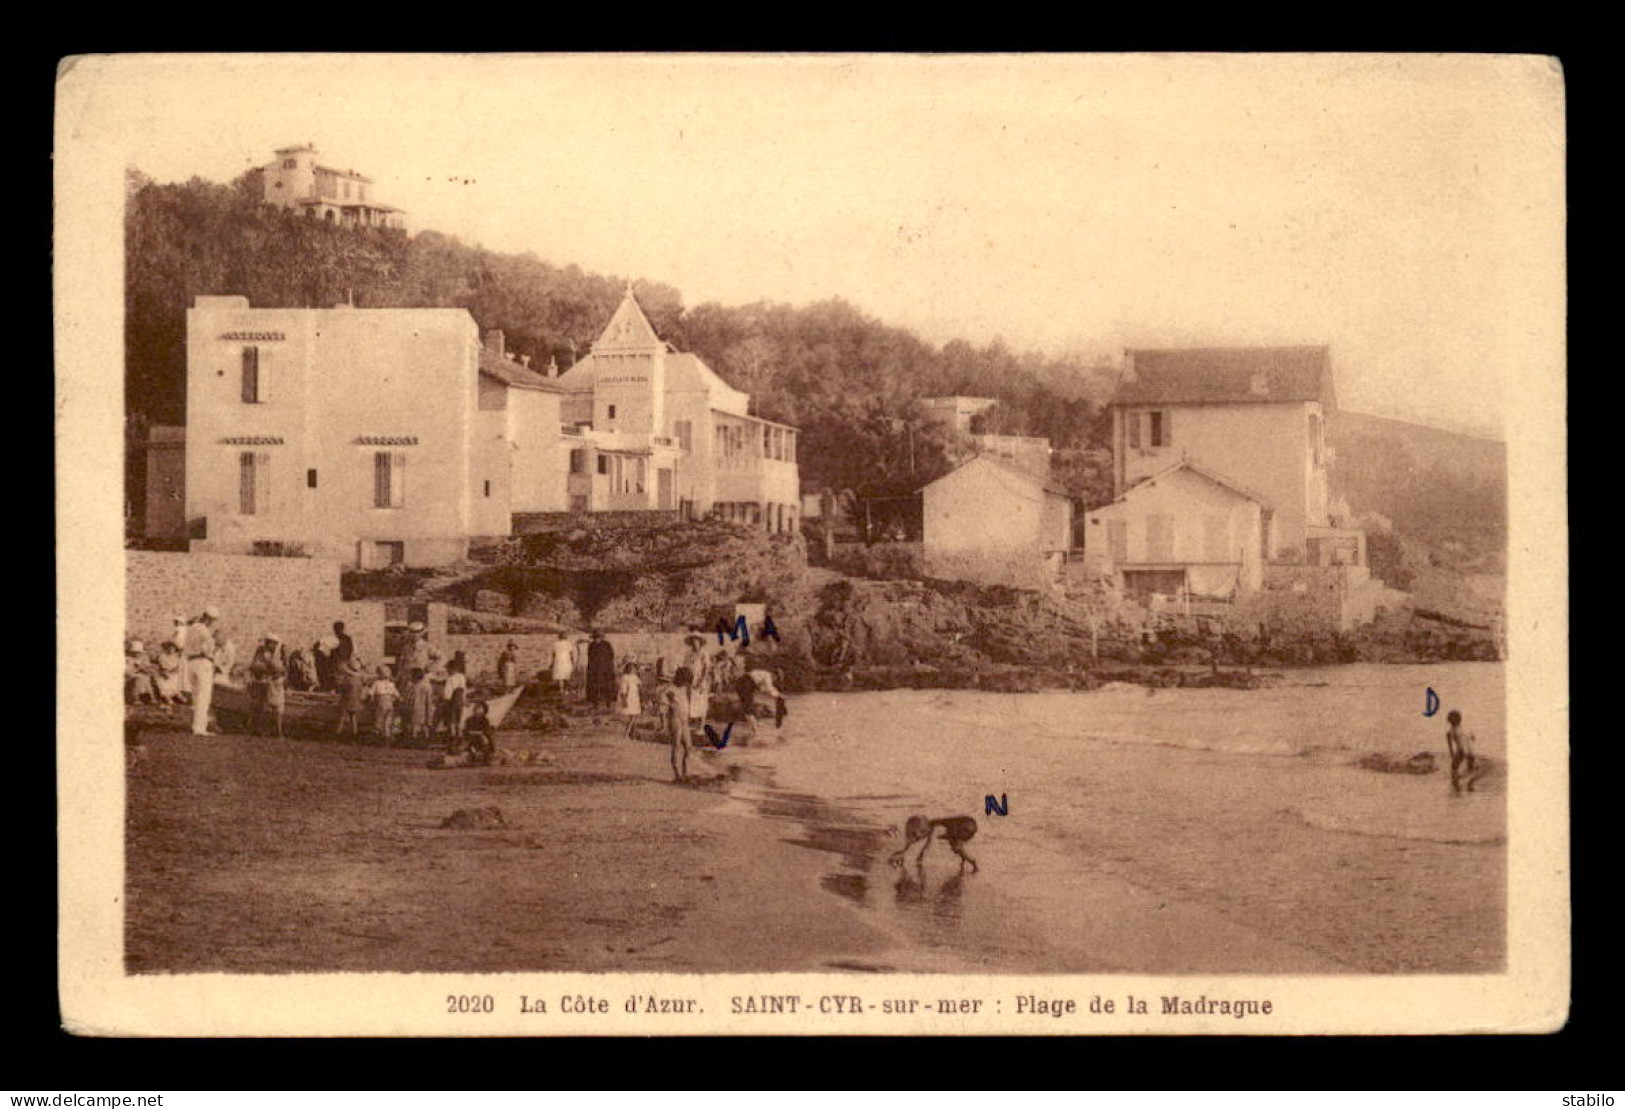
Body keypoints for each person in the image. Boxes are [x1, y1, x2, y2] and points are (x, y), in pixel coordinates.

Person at [183, 607, 222, 736]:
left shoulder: (191, 628)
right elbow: (207, 649)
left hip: (191, 662)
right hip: (203, 662)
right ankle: (199, 727)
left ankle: (196, 725)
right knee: (203, 696)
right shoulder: (204, 631)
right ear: (209, 619)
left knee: (195, 695)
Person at [657, 668, 695, 782]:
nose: (686, 684)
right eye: (685, 681)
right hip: (675, 719)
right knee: (676, 746)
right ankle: (677, 774)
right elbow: (662, 709)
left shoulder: (684, 688)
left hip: (684, 720)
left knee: (689, 747)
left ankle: (685, 773)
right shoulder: (669, 690)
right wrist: (663, 725)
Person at [248, 634, 288, 738]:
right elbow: (257, 667)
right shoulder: (263, 653)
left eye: (275, 644)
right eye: (272, 643)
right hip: (265, 682)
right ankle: (263, 730)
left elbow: (281, 669)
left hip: (272, 682)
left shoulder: (273, 653)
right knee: (267, 706)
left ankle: (275, 731)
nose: (274, 646)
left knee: (275, 707)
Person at [1445, 710, 1484, 794]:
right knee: (1470, 768)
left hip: (1462, 751)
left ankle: (1456, 784)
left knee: (1454, 767)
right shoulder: (1466, 728)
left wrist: (1452, 754)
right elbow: (1473, 737)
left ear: (1449, 721)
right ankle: (1470, 784)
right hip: (1471, 751)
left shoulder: (1451, 731)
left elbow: (1450, 743)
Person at [365, 666, 400, 745]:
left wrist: (369, 699)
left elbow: (371, 693)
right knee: (388, 720)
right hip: (389, 704)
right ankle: (387, 737)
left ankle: (376, 736)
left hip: (380, 703)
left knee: (379, 719)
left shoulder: (377, 683)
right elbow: (397, 694)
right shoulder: (391, 684)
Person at [336, 655, 367, 740]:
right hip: (356, 700)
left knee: (342, 717)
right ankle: (354, 733)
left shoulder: (347, 679)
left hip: (346, 699)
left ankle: (338, 733)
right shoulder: (360, 680)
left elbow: (341, 689)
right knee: (353, 717)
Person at [458, 699, 497, 766]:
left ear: (484, 711)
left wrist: (480, 733)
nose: (478, 711)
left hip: (481, 737)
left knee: (484, 742)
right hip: (471, 737)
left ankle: (486, 759)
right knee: (470, 745)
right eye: (477, 708)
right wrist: (472, 733)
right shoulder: (469, 720)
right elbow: (466, 730)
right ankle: (471, 758)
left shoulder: (485, 720)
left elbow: (486, 730)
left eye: (481, 709)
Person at [586, 631, 617, 710]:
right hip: (594, 669)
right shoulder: (592, 646)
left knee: (607, 686)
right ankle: (595, 704)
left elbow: (611, 656)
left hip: (605, 669)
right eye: (595, 638)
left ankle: (608, 704)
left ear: (601, 638)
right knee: (594, 686)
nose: (597, 639)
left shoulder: (607, 645)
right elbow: (590, 657)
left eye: (598, 637)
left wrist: (608, 665)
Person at [404, 667, 435, 745]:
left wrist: (407, 703)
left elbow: (408, 697)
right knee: (424, 724)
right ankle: (427, 739)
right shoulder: (427, 686)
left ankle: (414, 740)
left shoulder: (412, 686)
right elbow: (429, 698)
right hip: (424, 707)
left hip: (414, 706)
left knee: (414, 724)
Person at [442, 657, 469, 742]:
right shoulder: (462, 677)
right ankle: (460, 736)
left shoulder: (450, 679)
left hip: (453, 701)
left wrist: (445, 701)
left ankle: (453, 737)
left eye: (447, 669)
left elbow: (448, 693)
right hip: (460, 700)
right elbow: (464, 689)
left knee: (451, 720)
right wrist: (464, 700)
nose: (447, 671)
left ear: (452, 669)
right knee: (459, 719)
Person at [124, 640, 156, 704]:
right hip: (132, 675)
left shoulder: (144, 658)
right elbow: (127, 671)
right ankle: (135, 698)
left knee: (146, 678)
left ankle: (151, 698)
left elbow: (147, 668)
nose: (137, 654)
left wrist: (142, 668)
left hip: (142, 674)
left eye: (138, 652)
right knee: (138, 679)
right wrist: (137, 669)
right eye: (135, 652)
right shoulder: (128, 659)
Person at [617, 657, 643, 731]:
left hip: (634, 698)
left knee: (634, 716)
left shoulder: (635, 677)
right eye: (630, 668)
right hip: (628, 698)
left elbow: (640, 685)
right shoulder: (625, 677)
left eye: (633, 668)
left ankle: (631, 732)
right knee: (631, 717)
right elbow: (623, 689)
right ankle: (627, 733)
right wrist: (624, 700)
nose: (632, 670)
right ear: (627, 668)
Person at [550, 631, 576, 697]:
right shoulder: (568, 644)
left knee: (560, 675)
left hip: (558, 660)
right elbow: (571, 654)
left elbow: (553, 654)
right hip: (566, 660)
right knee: (567, 674)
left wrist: (552, 662)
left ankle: (561, 689)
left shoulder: (555, 644)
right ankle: (567, 689)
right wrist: (573, 662)